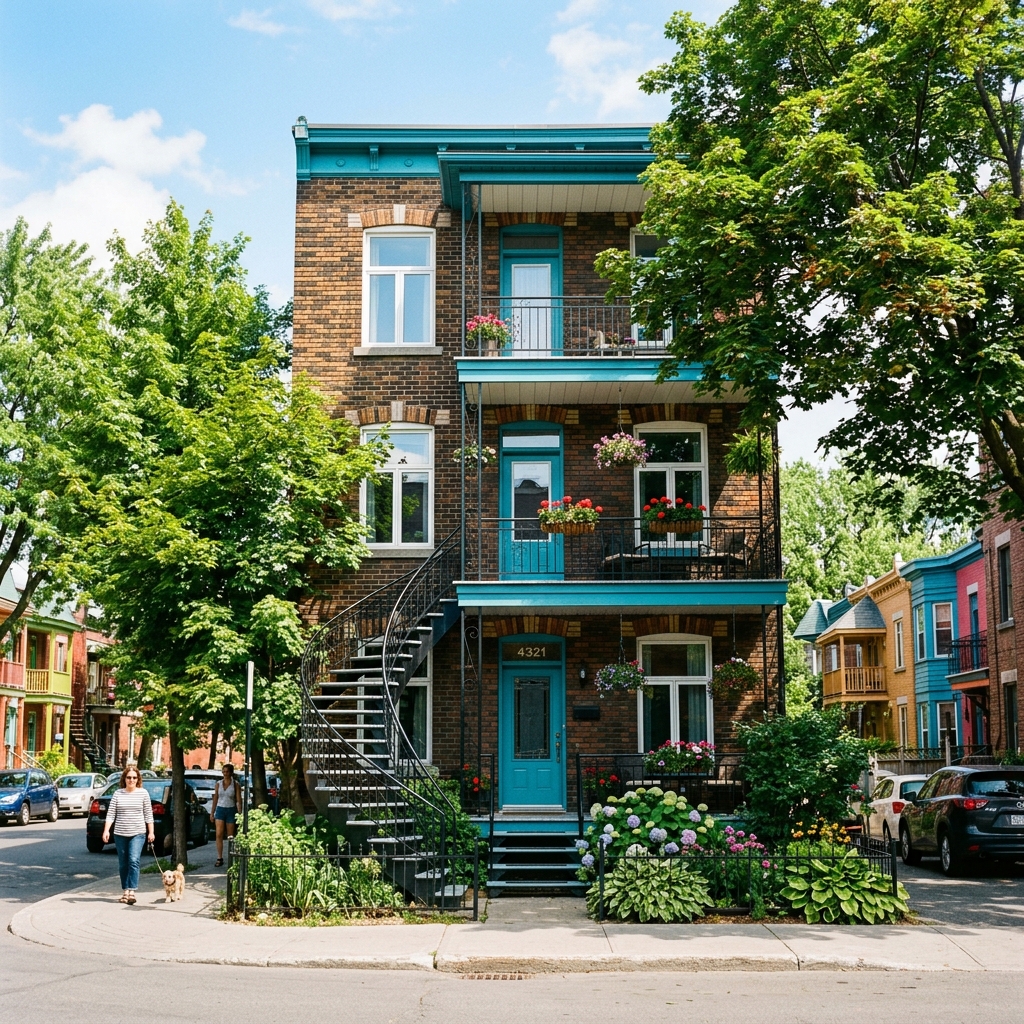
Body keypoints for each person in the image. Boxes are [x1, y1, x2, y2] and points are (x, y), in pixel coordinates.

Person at [102, 765, 155, 905]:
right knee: (123, 863)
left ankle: (132, 891)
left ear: (138, 779)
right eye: (129, 777)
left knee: (133, 860)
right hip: (120, 833)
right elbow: (111, 813)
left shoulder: (143, 793)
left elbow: (148, 814)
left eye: (134, 777)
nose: (131, 780)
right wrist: (106, 830)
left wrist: (151, 832)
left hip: (138, 833)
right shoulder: (118, 793)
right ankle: (125, 890)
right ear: (124, 779)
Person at [211, 763, 241, 867]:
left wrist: (240, 813)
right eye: (223, 771)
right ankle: (219, 857)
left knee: (230, 835)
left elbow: (238, 800)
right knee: (218, 834)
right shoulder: (218, 784)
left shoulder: (235, 784)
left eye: (227, 771)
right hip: (220, 809)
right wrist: (212, 812)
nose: (225, 773)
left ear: (231, 772)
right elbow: (215, 798)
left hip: (231, 809)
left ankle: (231, 856)